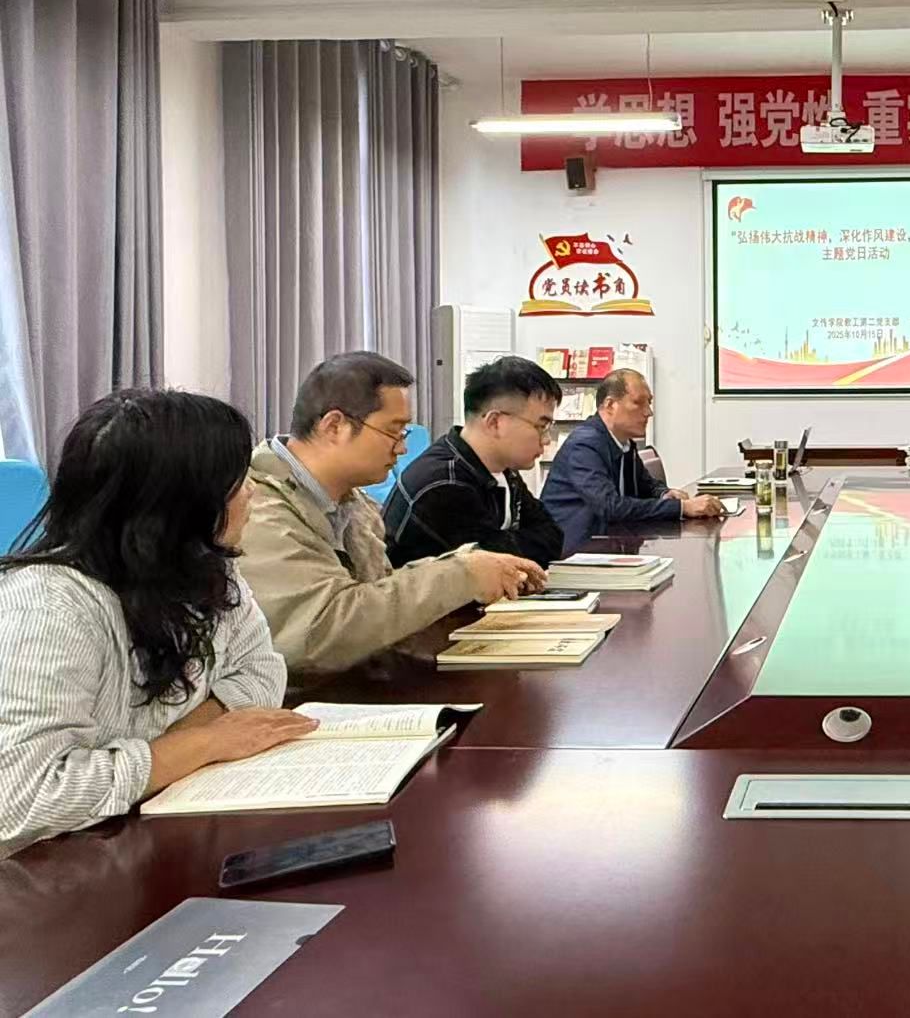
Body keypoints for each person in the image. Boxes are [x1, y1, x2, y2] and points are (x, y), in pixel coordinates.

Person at [0, 390, 315, 858]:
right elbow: (25, 798)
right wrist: (202, 744)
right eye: (233, 481)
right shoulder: (49, 607)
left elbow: (262, 671)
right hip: (48, 871)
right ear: (176, 506)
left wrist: (178, 744)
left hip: (145, 830)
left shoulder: (207, 567)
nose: (251, 490)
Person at [239, 352, 544, 675]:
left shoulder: (352, 502)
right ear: (335, 426)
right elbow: (319, 632)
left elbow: (377, 595)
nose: (401, 448)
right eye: (393, 432)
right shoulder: (256, 508)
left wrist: (470, 565)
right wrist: (461, 575)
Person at [385, 356, 565, 567]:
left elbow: (553, 537)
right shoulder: (444, 483)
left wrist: (505, 543)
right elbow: (489, 564)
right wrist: (508, 544)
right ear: (495, 422)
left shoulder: (502, 470)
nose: (546, 439)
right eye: (541, 426)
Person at [541, 368, 724, 552]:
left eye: (649, 403)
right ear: (610, 405)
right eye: (639, 403)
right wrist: (681, 507)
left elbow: (648, 485)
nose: (649, 412)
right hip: (574, 551)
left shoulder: (625, 443)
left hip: (609, 543)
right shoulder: (585, 445)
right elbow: (610, 507)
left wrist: (665, 494)